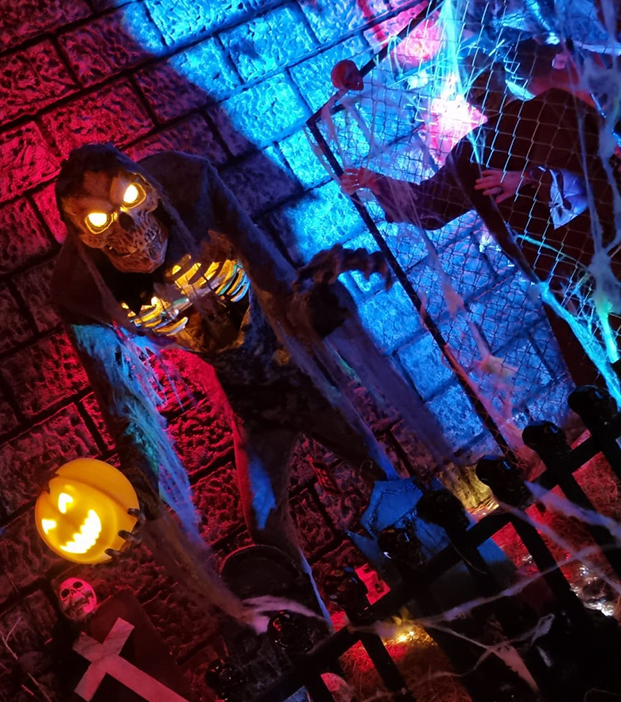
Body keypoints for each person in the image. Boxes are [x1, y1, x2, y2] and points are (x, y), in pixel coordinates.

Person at [50, 144, 454, 622]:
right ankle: (317, 633)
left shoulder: (191, 185)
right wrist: (139, 481)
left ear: (150, 191)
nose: (131, 228)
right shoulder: (79, 290)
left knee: (384, 481)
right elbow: (120, 396)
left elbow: (274, 276)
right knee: (265, 526)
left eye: (132, 199)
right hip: (251, 403)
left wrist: (322, 286)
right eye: (100, 222)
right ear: (83, 235)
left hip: (295, 372)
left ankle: (451, 577)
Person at [341, 65, 621, 384]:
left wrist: (530, 176)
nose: (481, 93)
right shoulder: (473, 151)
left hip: (601, 242)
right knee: (602, 358)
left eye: (483, 79)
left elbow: (604, 157)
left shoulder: (553, 107)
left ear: (501, 75)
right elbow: (431, 205)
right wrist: (376, 182)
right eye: (475, 88)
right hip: (564, 268)